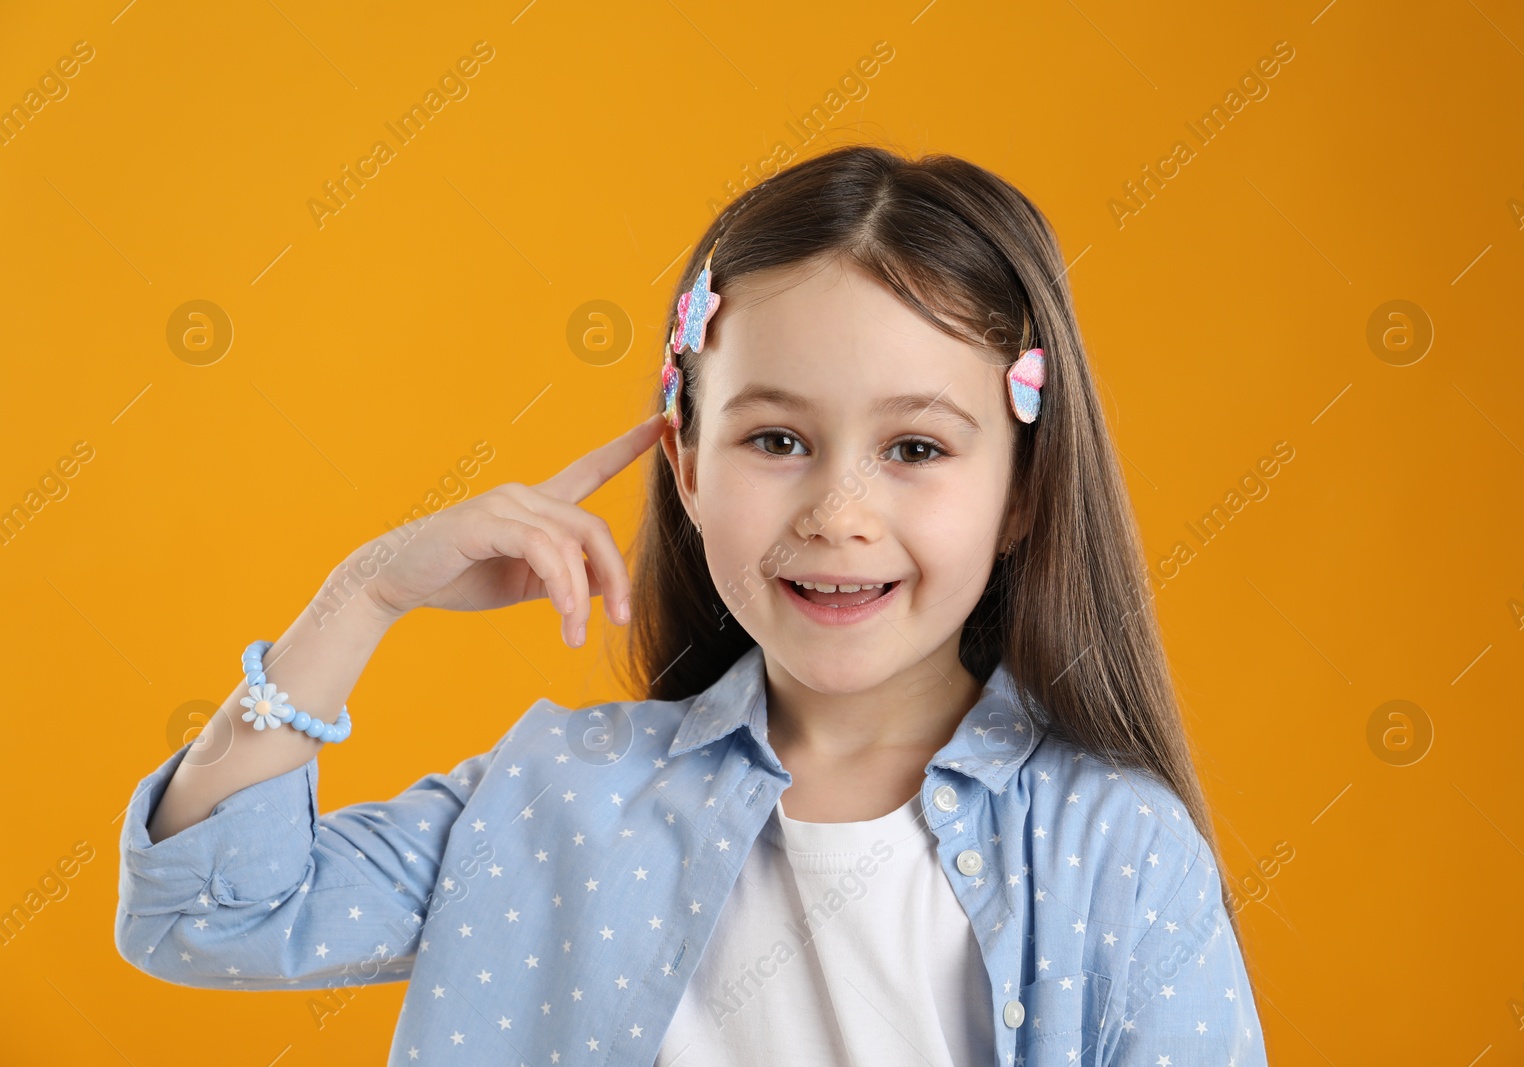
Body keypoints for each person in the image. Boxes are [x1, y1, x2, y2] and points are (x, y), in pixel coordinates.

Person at [115, 143, 1269, 1066]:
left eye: (915, 446)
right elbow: (199, 912)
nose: (839, 511)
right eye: (777, 439)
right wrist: (361, 596)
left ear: (1021, 493)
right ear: (687, 465)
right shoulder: (558, 797)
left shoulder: (1111, 848)